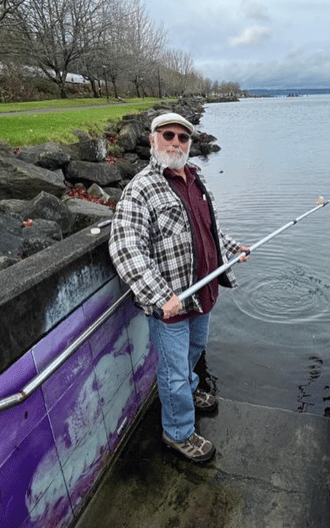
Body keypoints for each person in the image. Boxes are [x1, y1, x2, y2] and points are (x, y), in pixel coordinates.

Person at [109, 112, 248, 463]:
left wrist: (232, 250)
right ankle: (178, 432)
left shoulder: (196, 180)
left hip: (201, 295)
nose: (175, 142)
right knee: (172, 372)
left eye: (183, 137)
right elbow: (125, 248)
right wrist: (160, 296)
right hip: (171, 305)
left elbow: (207, 231)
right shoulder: (140, 189)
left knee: (194, 349)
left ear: (190, 143)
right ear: (153, 139)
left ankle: (189, 387)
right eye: (168, 135)